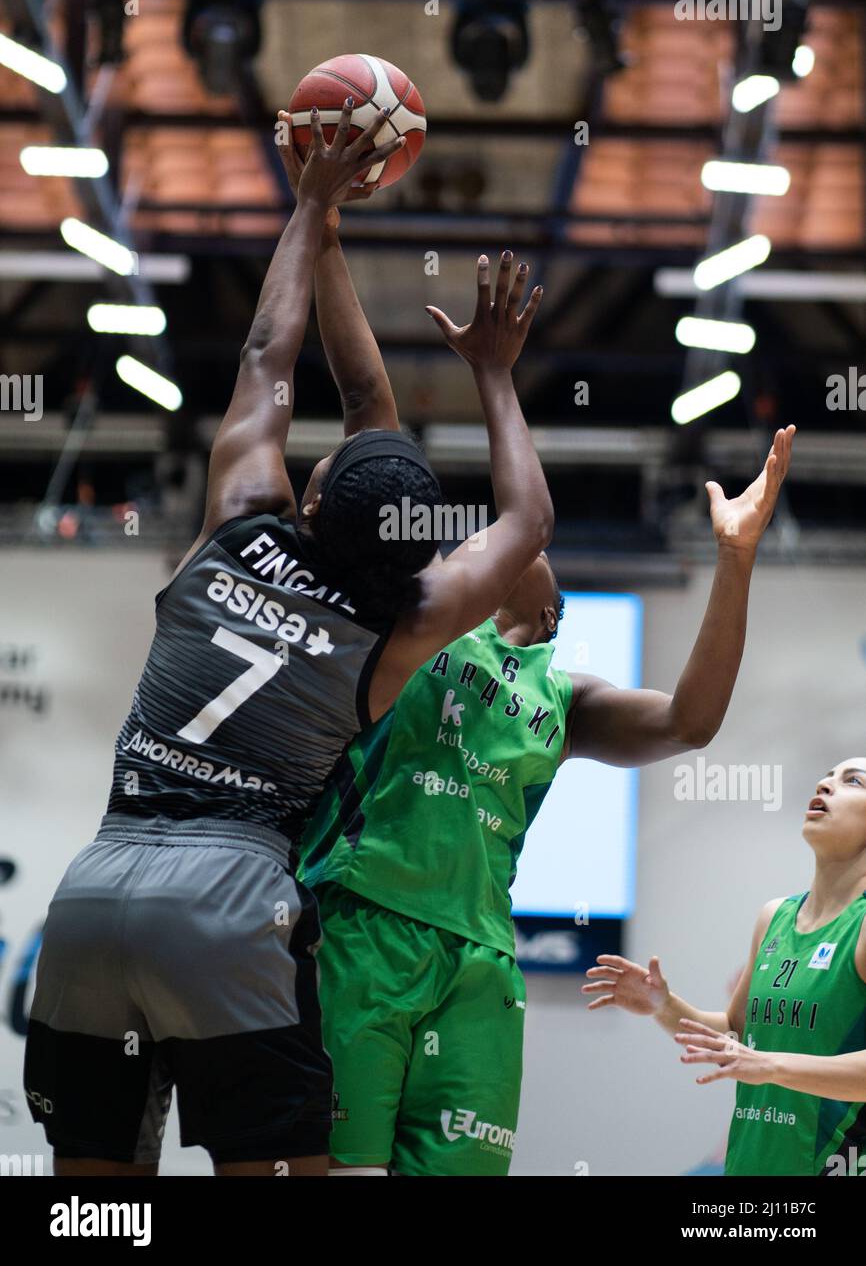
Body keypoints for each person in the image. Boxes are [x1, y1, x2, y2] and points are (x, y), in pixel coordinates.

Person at [23, 99, 553, 1178]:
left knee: (87, 1200)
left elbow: (272, 356)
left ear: (307, 504)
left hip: (90, 892)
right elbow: (527, 523)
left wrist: (310, 203)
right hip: (229, 906)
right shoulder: (396, 626)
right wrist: (496, 375)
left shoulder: (234, 531)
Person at [286, 125, 796, 1172]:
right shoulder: (412, 621)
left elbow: (692, 720)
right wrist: (322, 226)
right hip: (360, 928)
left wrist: (734, 562)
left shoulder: (556, 693)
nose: (510, 541)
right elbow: (366, 403)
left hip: (479, 963)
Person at [582, 758, 866, 1176]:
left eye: (852, 781)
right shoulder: (775, 917)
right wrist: (664, 1005)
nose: (825, 785)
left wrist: (770, 1065)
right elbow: (734, 1038)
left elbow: (756, 1061)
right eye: (826, 775)